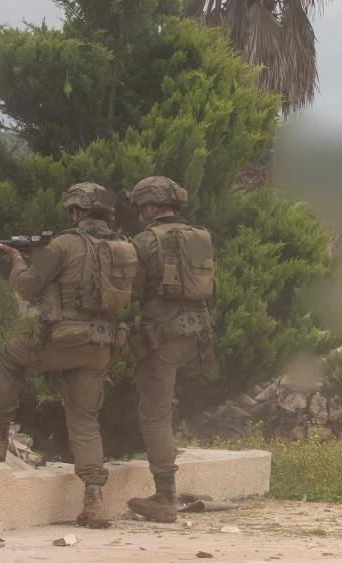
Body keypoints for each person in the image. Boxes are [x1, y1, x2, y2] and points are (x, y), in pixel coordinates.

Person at [0, 182, 136, 529]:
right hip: (101, 344)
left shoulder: (64, 244)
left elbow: (28, 285)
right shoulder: (123, 247)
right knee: (85, 421)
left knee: (10, 355)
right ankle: (94, 498)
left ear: (75, 212)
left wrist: (15, 259)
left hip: (62, 340)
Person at [125, 176, 215, 524]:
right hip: (197, 334)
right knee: (163, 406)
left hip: (163, 337)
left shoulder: (145, 240)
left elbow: (130, 293)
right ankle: (165, 491)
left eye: (140, 207)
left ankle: (165, 498)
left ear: (150, 206)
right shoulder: (200, 235)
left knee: (155, 414)